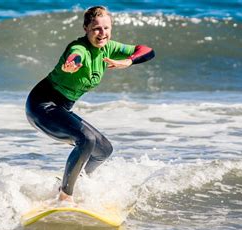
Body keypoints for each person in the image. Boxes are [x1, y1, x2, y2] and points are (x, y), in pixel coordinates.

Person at [25, 6, 155, 203]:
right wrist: (72, 63)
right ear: (86, 28)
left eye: (106, 28)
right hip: (41, 106)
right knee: (86, 139)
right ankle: (65, 196)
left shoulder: (109, 47)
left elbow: (147, 51)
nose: (102, 33)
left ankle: (73, 182)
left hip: (60, 108)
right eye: (96, 29)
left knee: (103, 150)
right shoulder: (80, 48)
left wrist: (128, 61)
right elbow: (74, 55)